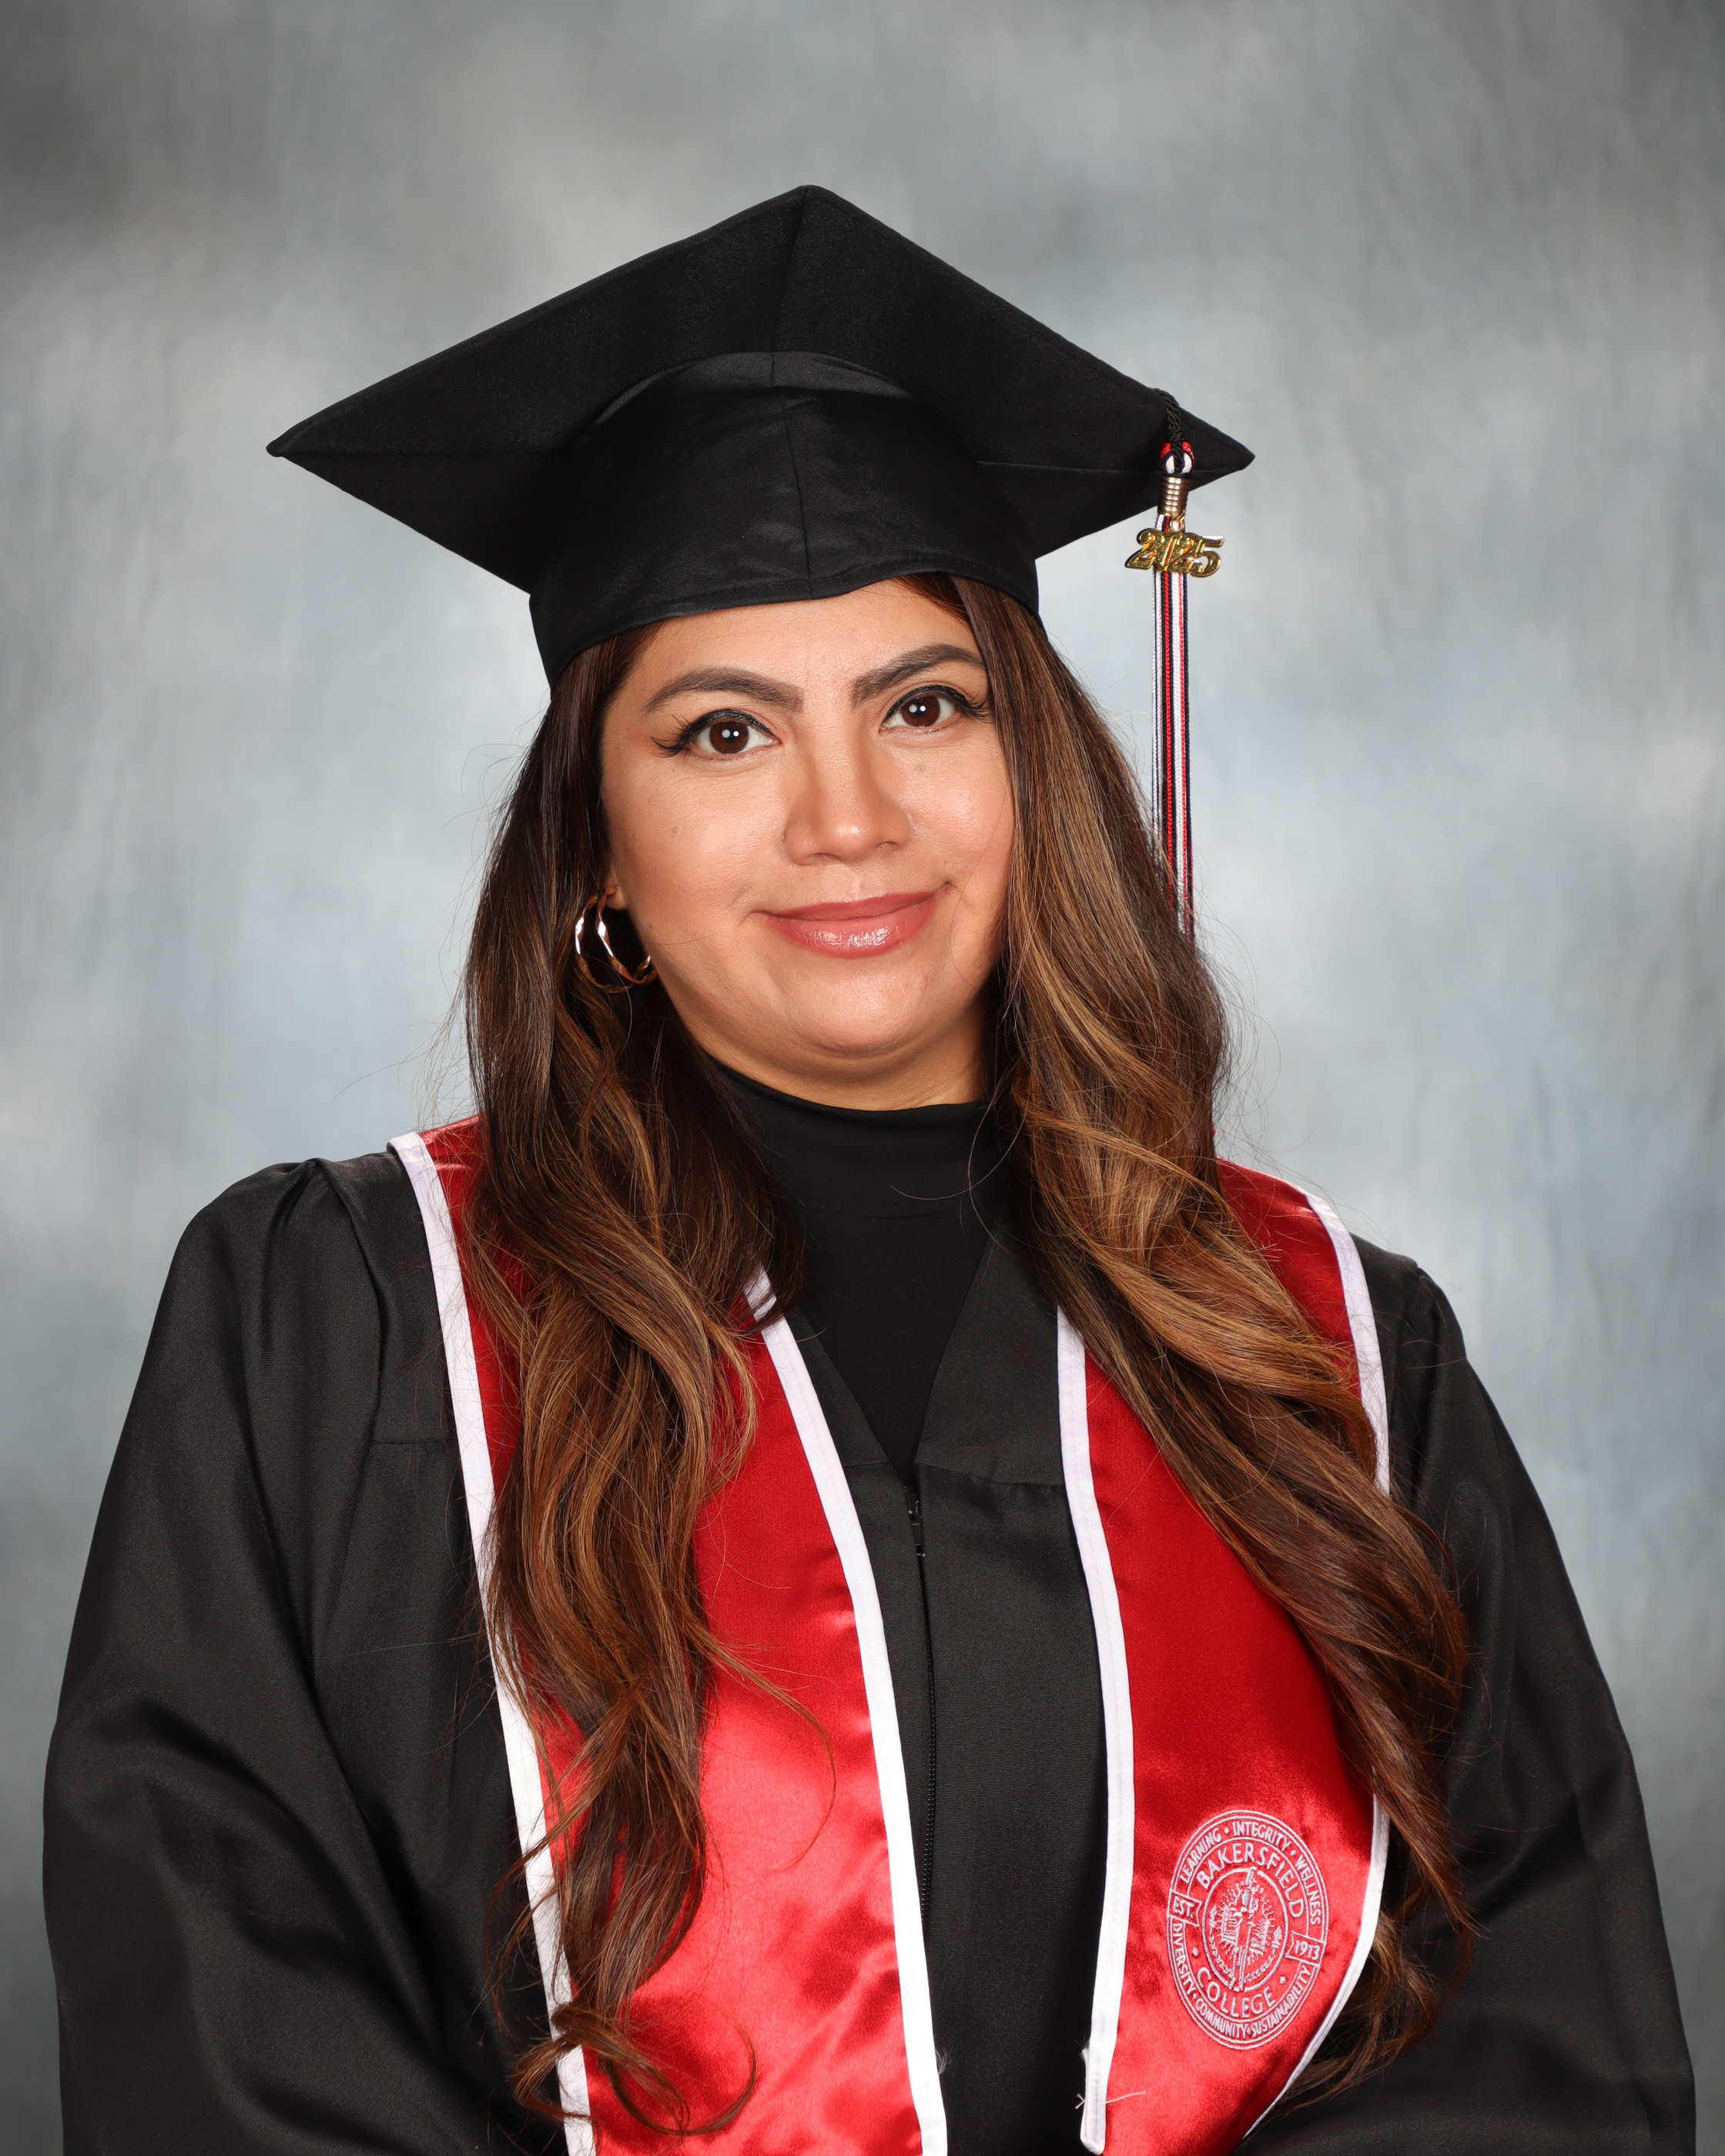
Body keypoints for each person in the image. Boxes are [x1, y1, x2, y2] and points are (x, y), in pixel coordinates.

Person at [43, 187, 1692, 2156]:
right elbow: (219, 2003)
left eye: (925, 705)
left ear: (1032, 766)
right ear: (596, 844)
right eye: (722, 732)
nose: (848, 817)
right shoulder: (340, 1322)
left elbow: (1539, 2034)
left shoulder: (1333, 1351)